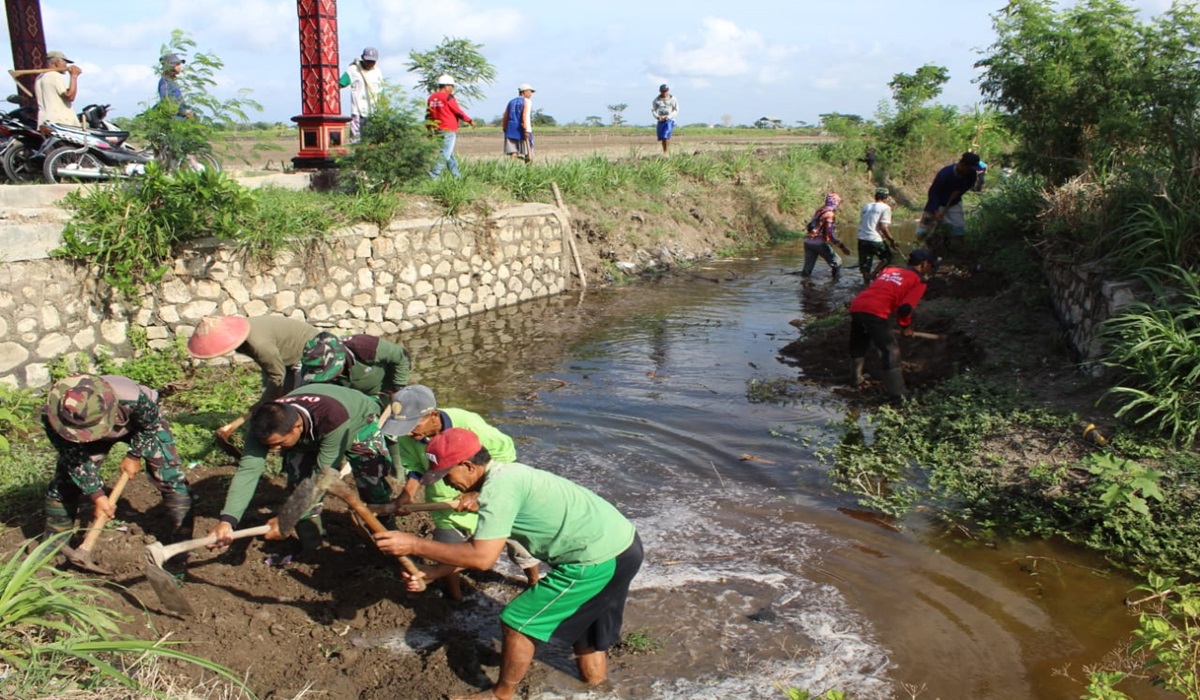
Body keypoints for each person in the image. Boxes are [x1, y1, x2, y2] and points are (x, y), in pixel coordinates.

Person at [374, 428, 643, 700]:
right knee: (588, 631)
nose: (447, 484)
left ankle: (501, 695)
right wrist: (433, 571)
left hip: (595, 560)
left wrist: (414, 544)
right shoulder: (507, 475)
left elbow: (481, 558)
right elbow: (478, 549)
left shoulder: (497, 491)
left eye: (447, 475)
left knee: (517, 621)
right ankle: (598, 688)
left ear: (468, 466)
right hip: (624, 544)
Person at [381, 384, 541, 600]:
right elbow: (416, 470)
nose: (409, 432)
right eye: (403, 427)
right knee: (447, 550)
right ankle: (456, 599)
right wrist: (405, 497)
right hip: (443, 502)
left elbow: (505, 454)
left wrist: (477, 494)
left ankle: (533, 582)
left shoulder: (468, 423)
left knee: (517, 542)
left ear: (434, 415)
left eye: (413, 425)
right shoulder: (409, 436)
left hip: (489, 496)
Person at [42, 374, 194, 570]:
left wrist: (134, 455)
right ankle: (53, 548)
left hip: (140, 426)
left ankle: (179, 553)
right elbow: (75, 458)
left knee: (171, 479)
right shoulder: (53, 416)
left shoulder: (131, 397)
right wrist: (97, 495)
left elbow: (150, 424)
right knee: (64, 485)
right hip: (82, 436)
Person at [206, 382, 382, 552]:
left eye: (279, 443)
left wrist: (287, 517)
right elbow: (248, 472)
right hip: (307, 429)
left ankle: (387, 533)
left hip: (357, 420)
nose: (274, 449)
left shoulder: (333, 417)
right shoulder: (263, 425)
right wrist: (227, 521)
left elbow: (324, 476)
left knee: (372, 479)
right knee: (298, 488)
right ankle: (314, 548)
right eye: (269, 445)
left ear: (297, 427)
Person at [187, 315, 320, 446]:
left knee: (296, 400)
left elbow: (277, 377)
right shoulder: (243, 337)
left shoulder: (259, 344)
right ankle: (274, 435)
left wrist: (264, 402)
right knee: (275, 400)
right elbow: (274, 372)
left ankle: (300, 441)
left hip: (312, 351)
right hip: (283, 356)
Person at [848, 248, 938, 401]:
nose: (932, 269)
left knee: (859, 342)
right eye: (931, 265)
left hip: (857, 305)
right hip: (875, 311)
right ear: (924, 264)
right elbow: (905, 308)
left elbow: (883, 290)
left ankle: (855, 379)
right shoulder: (919, 282)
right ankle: (898, 394)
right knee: (891, 350)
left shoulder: (890, 270)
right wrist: (906, 327)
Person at [299, 331, 411, 400]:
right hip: (355, 399)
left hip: (386, 389)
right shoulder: (310, 369)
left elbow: (402, 357)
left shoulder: (364, 346)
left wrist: (398, 388)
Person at [916, 152, 982, 249]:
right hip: (936, 203)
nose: (971, 170)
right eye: (970, 168)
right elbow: (934, 193)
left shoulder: (971, 174)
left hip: (954, 202)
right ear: (963, 165)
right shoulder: (944, 174)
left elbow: (968, 185)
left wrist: (959, 191)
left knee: (958, 229)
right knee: (924, 230)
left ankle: (957, 249)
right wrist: (935, 211)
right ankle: (921, 246)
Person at [427, 75, 475, 179]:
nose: (452, 89)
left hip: (437, 129)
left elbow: (428, 115)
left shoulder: (431, 98)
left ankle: (457, 177)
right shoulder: (448, 97)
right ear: (446, 86)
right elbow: (457, 111)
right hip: (448, 129)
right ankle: (433, 175)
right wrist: (469, 120)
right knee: (445, 153)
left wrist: (428, 128)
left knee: (449, 153)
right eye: (452, 86)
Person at [800, 193, 851, 280]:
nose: (838, 204)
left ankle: (804, 287)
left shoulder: (820, 210)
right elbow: (830, 235)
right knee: (837, 262)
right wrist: (842, 247)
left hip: (808, 241)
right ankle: (835, 284)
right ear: (835, 203)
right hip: (819, 243)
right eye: (838, 202)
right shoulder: (829, 214)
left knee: (807, 269)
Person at [856, 187, 899, 285]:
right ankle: (874, 274)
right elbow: (883, 227)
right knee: (887, 258)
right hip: (875, 239)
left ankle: (865, 285)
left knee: (865, 265)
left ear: (875, 196)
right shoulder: (885, 208)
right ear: (886, 197)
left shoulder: (866, 206)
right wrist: (892, 240)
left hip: (862, 238)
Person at [339, 47, 383, 142]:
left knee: (372, 140)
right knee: (357, 141)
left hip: (373, 112)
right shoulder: (353, 69)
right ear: (363, 58)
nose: (370, 63)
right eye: (368, 61)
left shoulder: (378, 72)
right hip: (357, 112)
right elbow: (341, 83)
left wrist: (383, 107)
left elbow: (381, 91)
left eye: (372, 61)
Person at [35, 50, 81, 127]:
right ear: (57, 62)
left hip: (44, 121)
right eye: (65, 63)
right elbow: (70, 96)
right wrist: (74, 76)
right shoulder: (54, 76)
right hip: (60, 122)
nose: (66, 66)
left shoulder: (40, 77)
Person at [502, 83, 535, 163]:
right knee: (528, 152)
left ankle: (511, 170)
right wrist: (526, 130)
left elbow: (506, 115)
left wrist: (504, 127)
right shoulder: (527, 101)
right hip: (522, 130)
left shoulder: (511, 102)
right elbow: (525, 116)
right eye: (530, 92)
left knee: (513, 152)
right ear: (525, 92)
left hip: (510, 130)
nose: (531, 94)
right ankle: (528, 170)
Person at [157, 53, 192, 118]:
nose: (180, 67)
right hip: (174, 121)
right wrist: (183, 113)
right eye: (177, 64)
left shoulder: (171, 82)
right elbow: (167, 103)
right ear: (170, 66)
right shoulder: (165, 82)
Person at [651, 83, 678, 155]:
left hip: (669, 120)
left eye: (666, 91)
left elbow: (676, 109)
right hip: (660, 120)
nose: (665, 92)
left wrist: (669, 116)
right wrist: (657, 116)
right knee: (662, 137)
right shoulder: (656, 100)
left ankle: (666, 151)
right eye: (663, 91)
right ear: (660, 91)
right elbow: (653, 109)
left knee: (666, 135)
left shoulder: (672, 99)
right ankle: (664, 151)